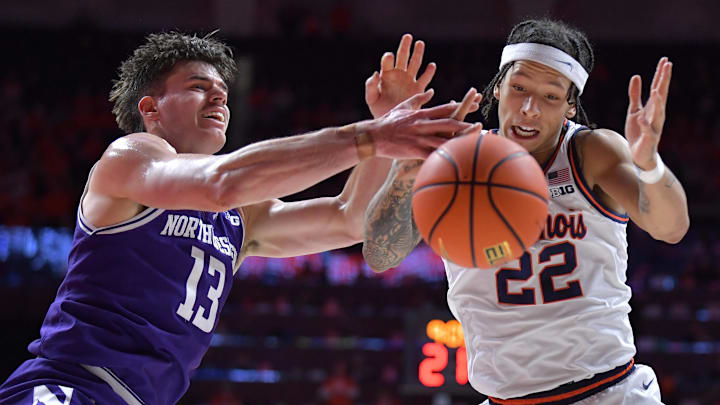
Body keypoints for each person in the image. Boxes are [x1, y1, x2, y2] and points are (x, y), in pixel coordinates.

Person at [0, 32, 482, 405]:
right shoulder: (129, 158)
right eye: (198, 87)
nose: (219, 100)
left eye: (224, 93)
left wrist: (391, 133)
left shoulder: (240, 217)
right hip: (71, 386)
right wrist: (372, 136)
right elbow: (218, 182)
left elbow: (349, 219)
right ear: (151, 108)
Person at [363, 20, 689, 404]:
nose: (530, 109)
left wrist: (649, 165)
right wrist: (408, 165)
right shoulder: (457, 158)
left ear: (571, 105)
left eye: (550, 96)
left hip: (605, 392)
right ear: (498, 86)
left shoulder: (591, 153)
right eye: (519, 88)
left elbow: (671, 227)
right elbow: (380, 255)